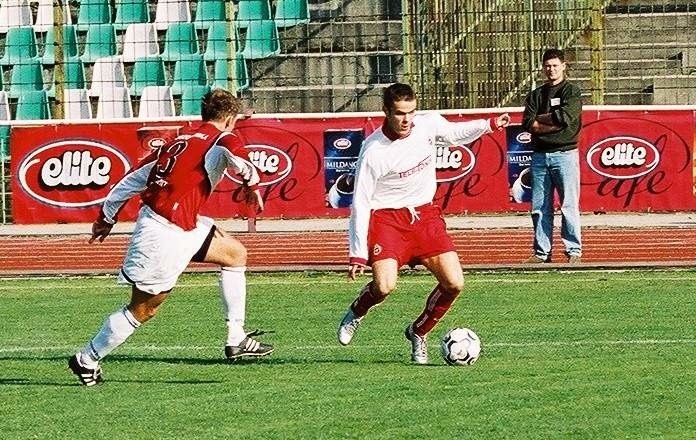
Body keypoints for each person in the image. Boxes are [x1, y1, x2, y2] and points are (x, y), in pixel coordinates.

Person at [69, 89, 273, 386]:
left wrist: (106, 218)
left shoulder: (177, 141)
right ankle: (86, 359)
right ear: (230, 118)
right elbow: (235, 151)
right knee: (144, 309)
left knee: (234, 253)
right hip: (163, 234)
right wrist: (252, 181)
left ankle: (236, 337)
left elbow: (131, 180)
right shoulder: (220, 138)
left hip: (180, 225)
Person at [336, 82, 510, 364]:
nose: (407, 120)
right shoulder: (373, 151)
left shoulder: (427, 125)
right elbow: (361, 202)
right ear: (385, 111)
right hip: (387, 219)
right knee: (384, 286)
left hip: (424, 216)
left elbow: (454, 134)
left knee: (454, 283)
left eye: (411, 112)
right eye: (400, 113)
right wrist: (356, 252)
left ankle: (418, 332)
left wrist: (488, 124)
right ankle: (357, 311)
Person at [521, 48, 583, 264]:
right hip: (539, 157)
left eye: (555, 65)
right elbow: (529, 124)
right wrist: (553, 124)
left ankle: (573, 250)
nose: (551, 69)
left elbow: (566, 117)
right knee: (539, 207)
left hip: (565, 155)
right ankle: (541, 253)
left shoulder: (571, 92)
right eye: (548, 66)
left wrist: (542, 122)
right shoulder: (535, 95)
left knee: (569, 205)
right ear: (542, 68)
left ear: (564, 66)